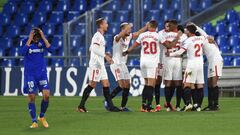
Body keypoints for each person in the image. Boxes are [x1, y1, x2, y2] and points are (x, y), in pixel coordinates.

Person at [76, 18, 120, 112]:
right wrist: (105, 56)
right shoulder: (97, 36)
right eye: (106, 23)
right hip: (96, 64)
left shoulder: (100, 36)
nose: (107, 25)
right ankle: (81, 106)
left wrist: (105, 53)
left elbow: (91, 48)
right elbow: (94, 49)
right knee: (92, 84)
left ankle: (111, 106)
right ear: (101, 25)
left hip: (100, 64)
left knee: (106, 84)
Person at [167, 24, 208, 111]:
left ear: (189, 32)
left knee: (186, 84)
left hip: (192, 64)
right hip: (200, 64)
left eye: (186, 30)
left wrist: (170, 54)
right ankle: (198, 106)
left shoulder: (188, 40)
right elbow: (205, 35)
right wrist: (197, 27)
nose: (185, 31)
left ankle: (188, 103)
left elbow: (180, 52)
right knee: (200, 85)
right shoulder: (201, 38)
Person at [109, 22, 148, 111]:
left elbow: (138, 33)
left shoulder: (129, 37)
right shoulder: (116, 38)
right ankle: (108, 100)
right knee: (121, 85)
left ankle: (122, 107)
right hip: (116, 64)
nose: (130, 31)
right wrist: (127, 27)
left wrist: (146, 26)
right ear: (123, 30)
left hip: (123, 65)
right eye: (128, 29)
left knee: (127, 85)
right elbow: (120, 35)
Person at [123, 20, 160, 112]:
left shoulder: (142, 35)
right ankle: (149, 106)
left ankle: (143, 105)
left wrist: (127, 51)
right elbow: (166, 44)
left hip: (143, 62)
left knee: (146, 83)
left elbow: (134, 45)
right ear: (155, 27)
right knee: (151, 84)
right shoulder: (158, 35)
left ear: (149, 26)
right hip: (152, 62)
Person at [21, 28, 53, 128]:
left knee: (47, 95)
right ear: (32, 35)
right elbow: (22, 53)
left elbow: (51, 49)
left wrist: (43, 36)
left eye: (38, 36)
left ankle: (41, 116)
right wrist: (30, 39)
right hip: (30, 74)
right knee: (31, 96)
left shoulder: (42, 41)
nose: (37, 38)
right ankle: (34, 121)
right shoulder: (25, 41)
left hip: (42, 74)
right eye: (35, 36)